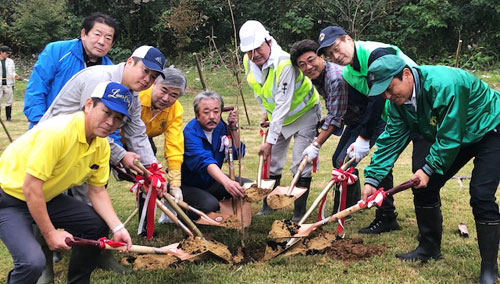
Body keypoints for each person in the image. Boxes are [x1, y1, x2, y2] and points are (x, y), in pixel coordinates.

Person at [362, 54, 500, 284]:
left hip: (491, 127)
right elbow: (390, 140)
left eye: (389, 88)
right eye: (383, 93)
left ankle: (489, 269)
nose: (387, 96)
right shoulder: (397, 103)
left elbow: (449, 137)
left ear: (406, 74)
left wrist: (428, 168)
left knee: (481, 195)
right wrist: (372, 179)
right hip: (460, 135)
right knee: (424, 187)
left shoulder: (444, 85)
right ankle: (429, 248)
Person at [38, 45, 165, 277]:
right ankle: (44, 262)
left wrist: (153, 171)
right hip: (53, 148)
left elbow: (137, 132)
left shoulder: (132, 97)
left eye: (153, 77)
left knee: (92, 204)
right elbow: (91, 126)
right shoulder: (100, 79)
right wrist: (121, 155)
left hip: (84, 150)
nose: (147, 79)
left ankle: (96, 254)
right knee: (44, 200)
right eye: (145, 71)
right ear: (129, 62)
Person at [0, 81, 133, 284]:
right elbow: (31, 187)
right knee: (32, 263)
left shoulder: (101, 145)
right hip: (9, 199)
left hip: (45, 196)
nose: (110, 122)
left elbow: (97, 191)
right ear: (88, 105)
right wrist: (50, 233)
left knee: (95, 225)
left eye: (118, 118)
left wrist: (117, 227)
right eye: (106, 112)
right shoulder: (57, 133)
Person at [316, 26, 430, 234]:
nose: (335, 56)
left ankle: (429, 233)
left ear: (348, 39)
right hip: (395, 115)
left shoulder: (376, 53)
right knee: (382, 161)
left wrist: (364, 137)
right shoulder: (349, 73)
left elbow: (379, 95)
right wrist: (355, 135)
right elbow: (364, 105)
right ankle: (386, 216)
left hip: (419, 107)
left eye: (336, 48)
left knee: (422, 167)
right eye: (330, 55)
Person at [239, 20, 321, 222]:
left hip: (305, 114)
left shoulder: (284, 63)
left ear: (268, 41)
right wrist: (265, 112)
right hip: (279, 118)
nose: (254, 55)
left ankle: (298, 212)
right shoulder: (248, 61)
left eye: (258, 48)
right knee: (273, 161)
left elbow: (283, 104)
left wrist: (269, 141)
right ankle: (269, 206)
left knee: (301, 161)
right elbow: (260, 92)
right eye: (249, 51)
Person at [290, 39, 354, 213]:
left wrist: (315, 144)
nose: (308, 67)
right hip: (354, 119)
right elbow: (335, 108)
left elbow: (335, 118)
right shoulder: (319, 77)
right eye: (302, 65)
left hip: (369, 119)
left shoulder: (335, 78)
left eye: (311, 60)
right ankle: (351, 202)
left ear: (321, 56)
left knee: (343, 160)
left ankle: (343, 210)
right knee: (341, 159)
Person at [23, 12, 118, 129]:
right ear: (84, 34)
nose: (101, 42)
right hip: (47, 128)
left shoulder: (110, 71)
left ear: (112, 44)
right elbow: (36, 88)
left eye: (108, 38)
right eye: (97, 34)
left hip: (84, 136)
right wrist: (40, 123)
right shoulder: (57, 51)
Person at [181, 90, 249, 218]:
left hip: (211, 181)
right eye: (206, 112)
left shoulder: (221, 127)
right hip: (188, 184)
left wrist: (233, 128)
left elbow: (236, 155)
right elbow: (204, 160)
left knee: (247, 188)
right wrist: (226, 182)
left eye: (216, 112)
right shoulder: (190, 133)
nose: (212, 116)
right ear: (197, 114)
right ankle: (179, 209)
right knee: (210, 205)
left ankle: (218, 202)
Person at [136, 67, 186, 230]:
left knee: (150, 176)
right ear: (154, 83)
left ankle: (144, 227)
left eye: (174, 95)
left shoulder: (175, 110)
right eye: (164, 90)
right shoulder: (136, 95)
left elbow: (174, 145)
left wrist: (175, 184)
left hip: (145, 140)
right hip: (115, 135)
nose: (166, 98)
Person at [0, 46, 21, 121]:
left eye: (8, 53)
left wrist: (16, 76)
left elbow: (12, 72)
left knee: (9, 101)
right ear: (1, 52)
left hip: (9, 84)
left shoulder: (10, 61)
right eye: (6, 53)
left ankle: (8, 117)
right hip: (0, 84)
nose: (7, 55)